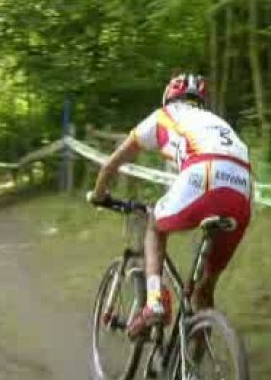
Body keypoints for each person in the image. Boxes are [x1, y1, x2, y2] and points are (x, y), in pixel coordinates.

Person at [88, 73, 252, 339]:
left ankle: (154, 301)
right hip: (243, 188)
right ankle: (191, 374)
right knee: (203, 291)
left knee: (154, 225)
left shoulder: (163, 116)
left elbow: (111, 164)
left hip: (204, 173)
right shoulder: (218, 123)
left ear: (169, 98)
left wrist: (98, 194)